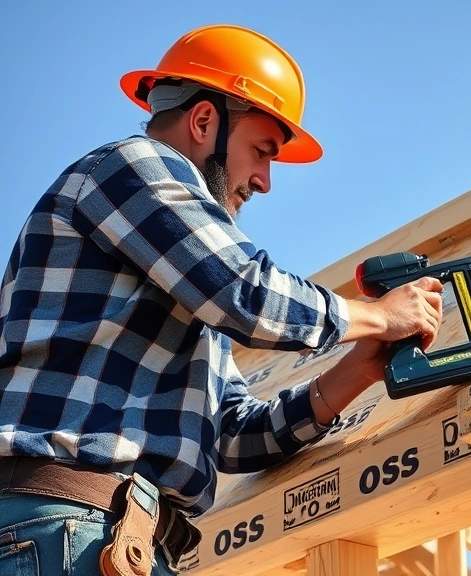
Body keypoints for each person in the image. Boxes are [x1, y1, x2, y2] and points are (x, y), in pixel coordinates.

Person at [0, 24, 444, 575]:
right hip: (67, 523)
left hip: (104, 535)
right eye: (261, 152)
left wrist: (355, 372)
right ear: (204, 121)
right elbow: (245, 292)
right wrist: (376, 314)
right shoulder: (131, 167)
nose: (264, 181)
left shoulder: (181, 285)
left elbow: (231, 435)